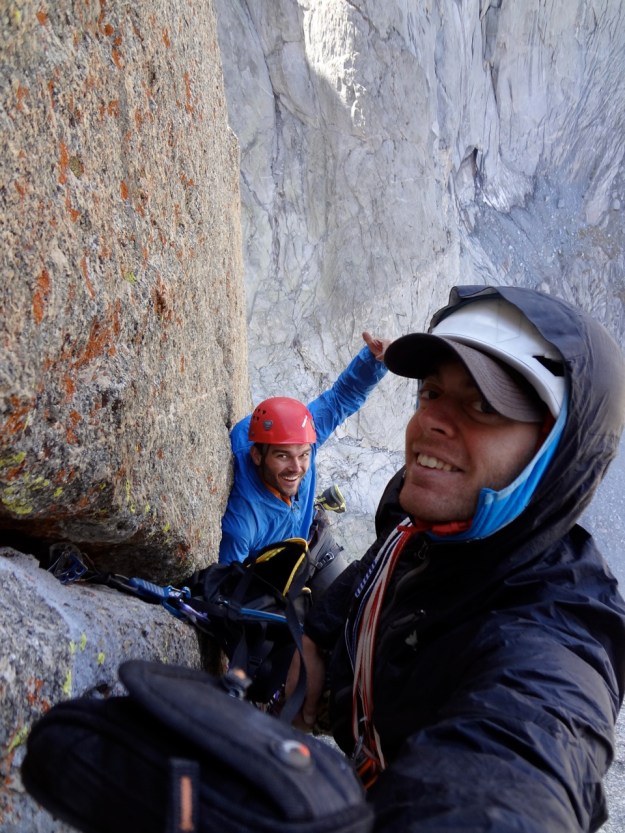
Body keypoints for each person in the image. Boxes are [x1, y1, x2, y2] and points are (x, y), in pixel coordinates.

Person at [288, 285, 625, 833]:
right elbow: (377, 568)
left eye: (484, 406)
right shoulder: (430, 519)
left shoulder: (554, 637)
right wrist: (315, 636)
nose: (432, 423)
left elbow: (518, 767)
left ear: (556, 452)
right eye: (431, 393)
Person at [218, 332, 390, 577]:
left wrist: (375, 361)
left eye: (303, 455)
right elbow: (225, 586)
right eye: (283, 456)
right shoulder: (243, 524)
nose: (296, 466)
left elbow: (341, 398)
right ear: (257, 456)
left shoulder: (303, 434)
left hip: (311, 538)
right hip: (274, 573)